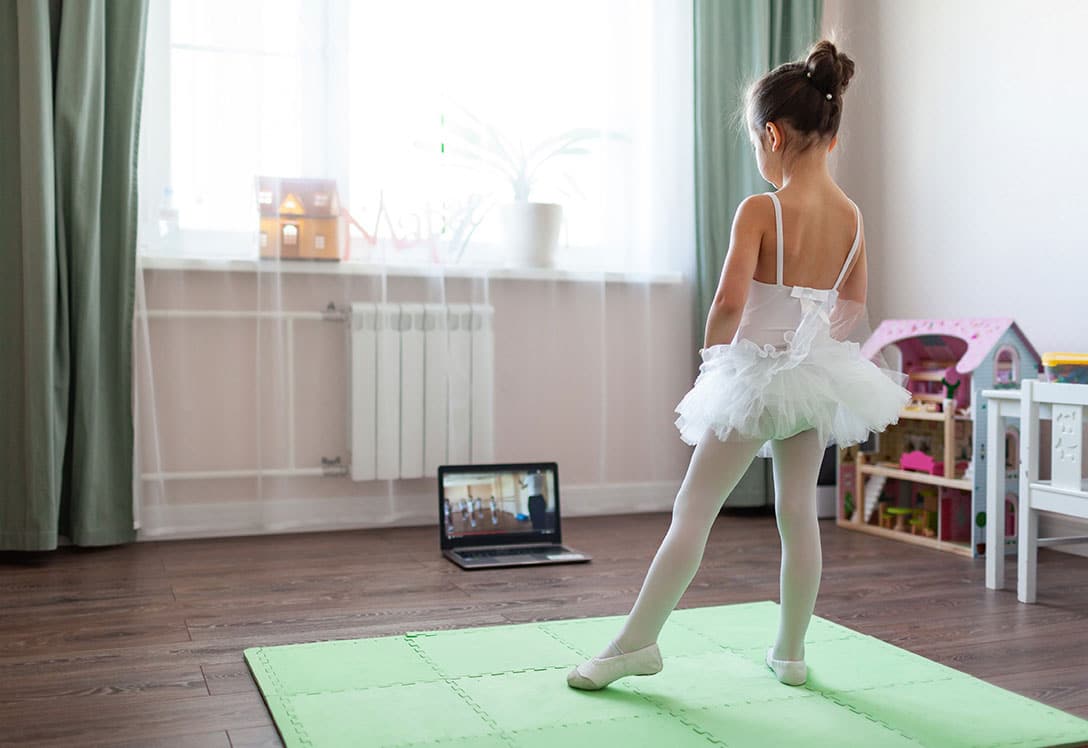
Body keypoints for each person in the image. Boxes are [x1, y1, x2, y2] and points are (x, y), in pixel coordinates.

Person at [567, 40, 910, 691]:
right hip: (813, 383)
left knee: (693, 513)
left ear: (772, 135)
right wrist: (810, 347)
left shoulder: (762, 209)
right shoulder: (853, 219)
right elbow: (855, 304)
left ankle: (633, 643)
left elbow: (728, 301)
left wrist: (712, 358)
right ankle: (791, 652)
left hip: (753, 379)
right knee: (798, 513)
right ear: (830, 138)